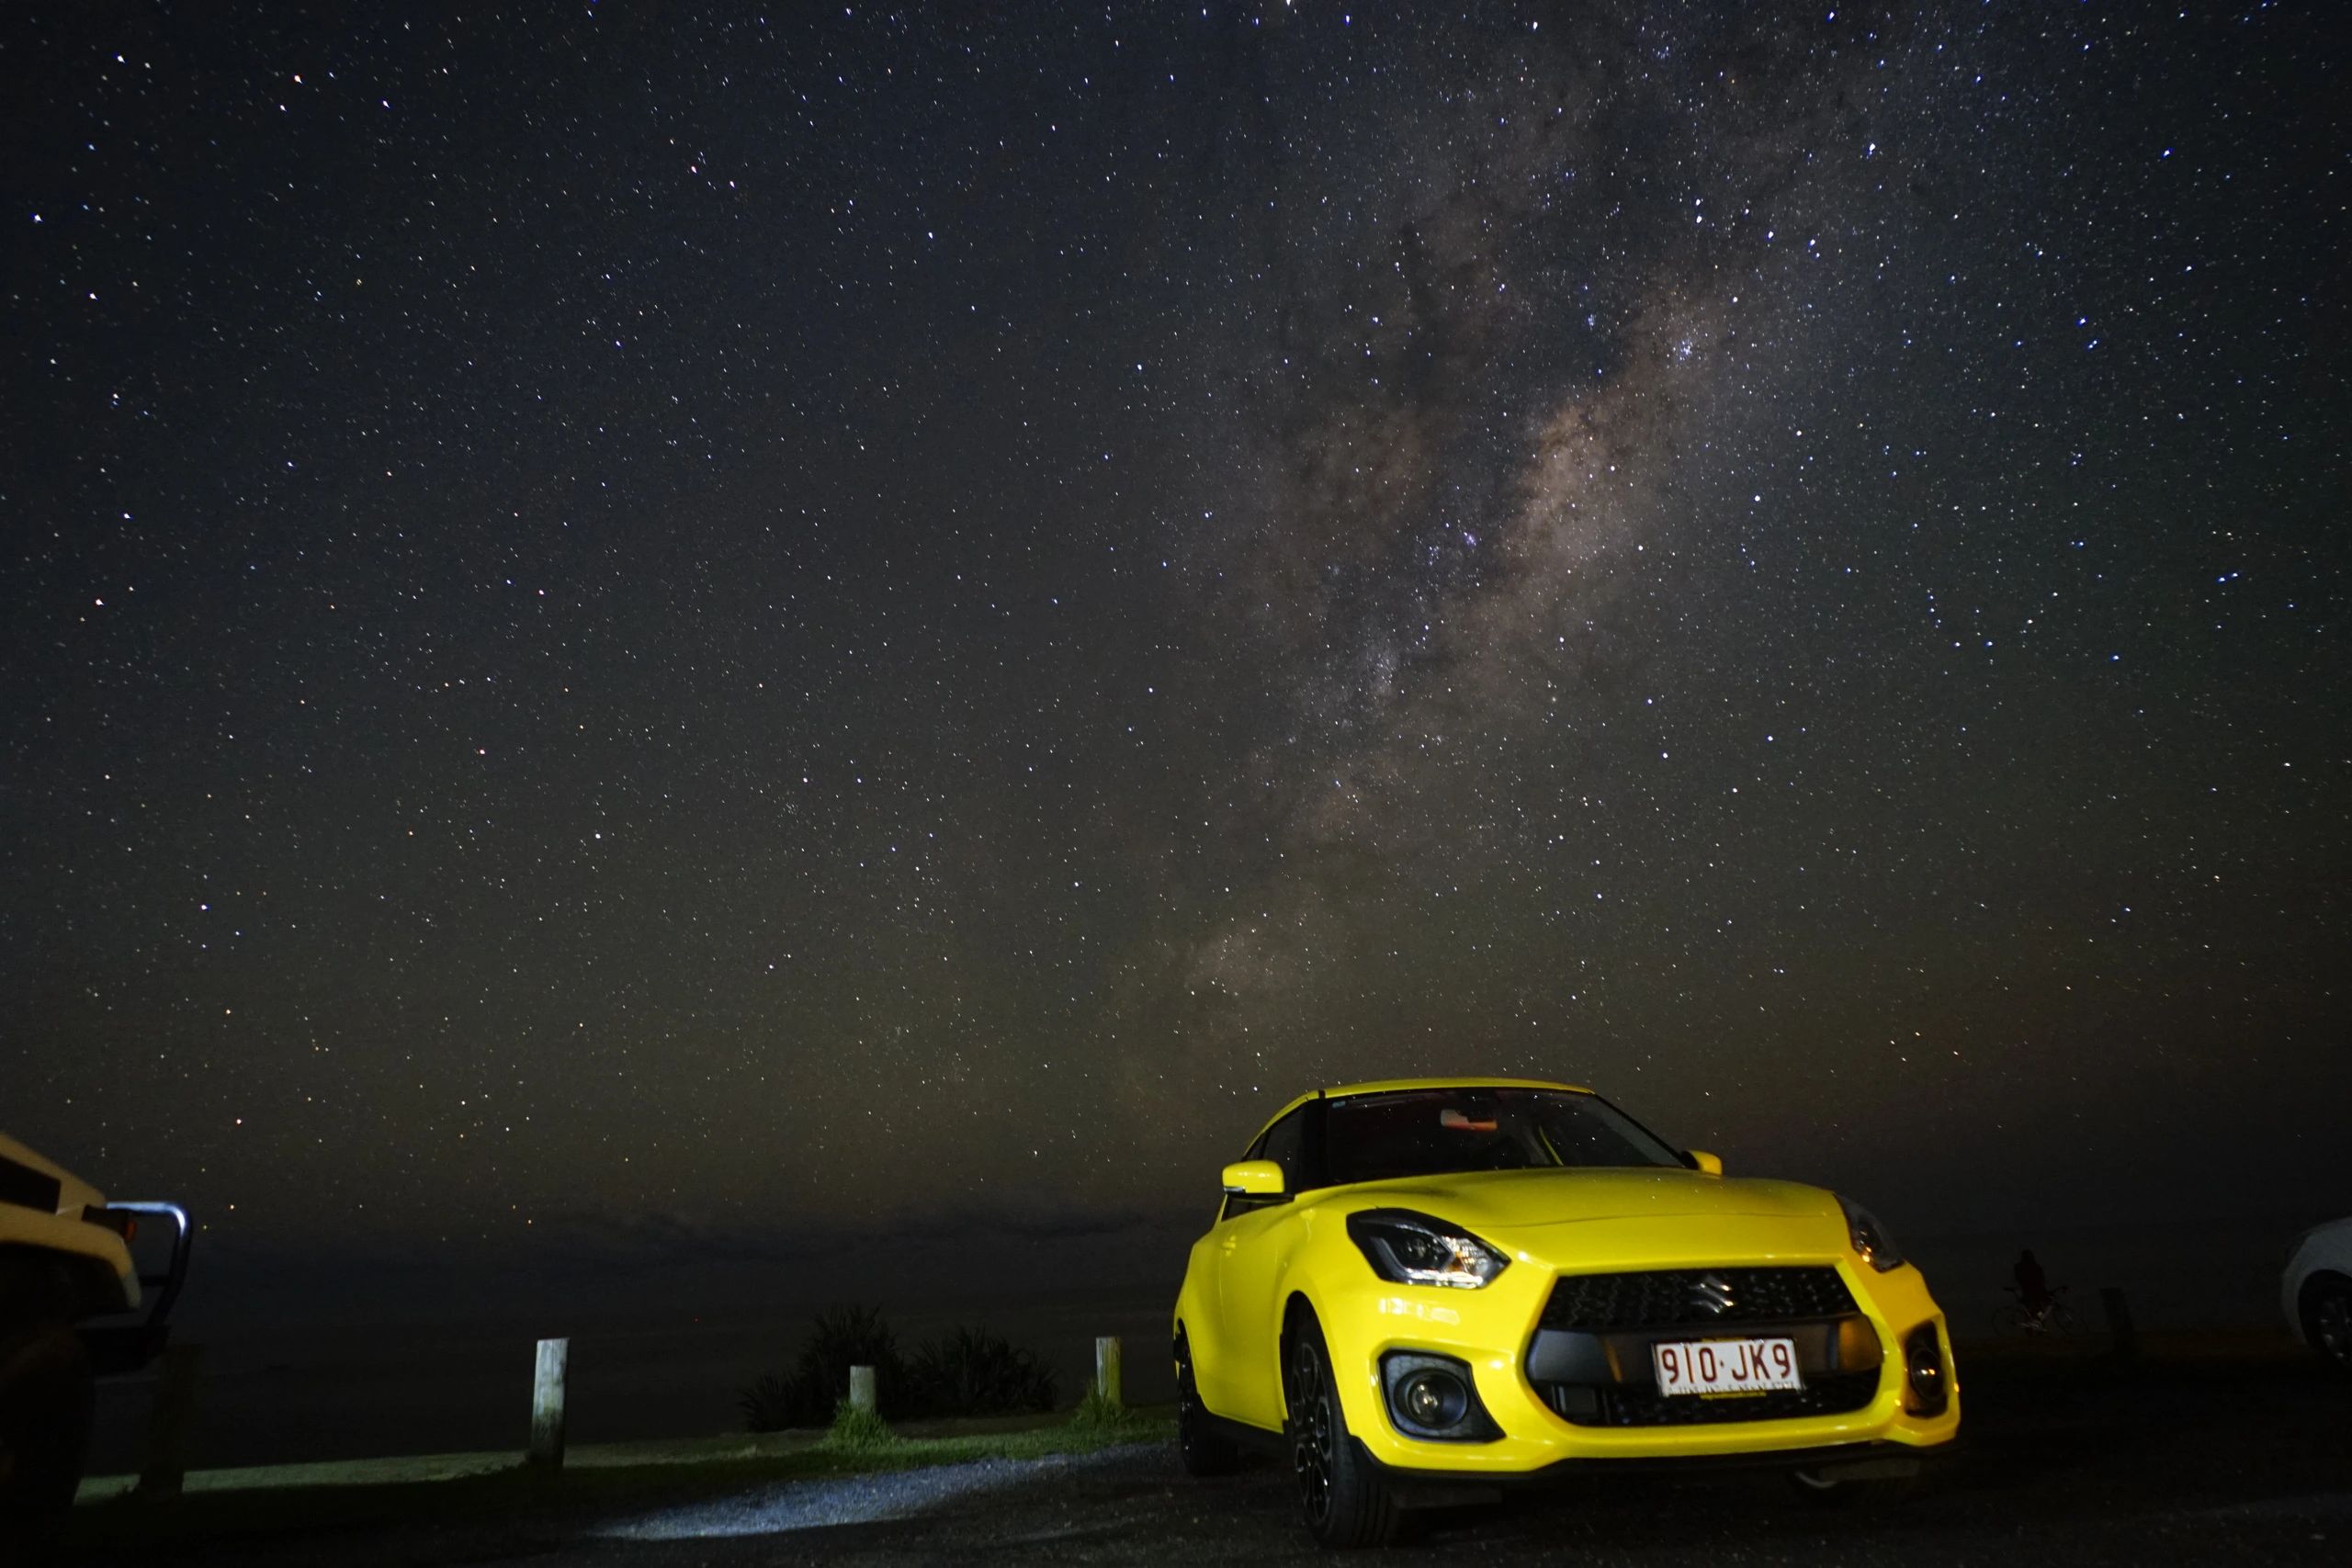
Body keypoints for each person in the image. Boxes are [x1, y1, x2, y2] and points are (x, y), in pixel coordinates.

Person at [2012, 1248, 2051, 1312]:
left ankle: (2033, 1319)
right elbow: (2041, 1277)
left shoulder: (2018, 1266)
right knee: (2040, 1306)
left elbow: (2019, 1277)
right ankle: (2037, 1319)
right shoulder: (2035, 1266)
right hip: (2036, 1289)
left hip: (2028, 1289)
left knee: (2032, 1308)